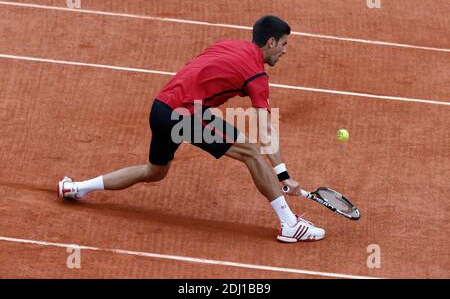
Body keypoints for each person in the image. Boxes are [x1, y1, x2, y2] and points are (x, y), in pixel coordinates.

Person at [58, 15, 325, 243]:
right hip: (183, 115)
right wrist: (283, 174)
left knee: (155, 171)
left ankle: (78, 188)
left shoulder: (226, 45)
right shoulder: (256, 76)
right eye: (284, 44)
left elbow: (196, 74)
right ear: (271, 42)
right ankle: (289, 225)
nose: (285, 51)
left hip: (160, 107)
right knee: (252, 153)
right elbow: (264, 129)